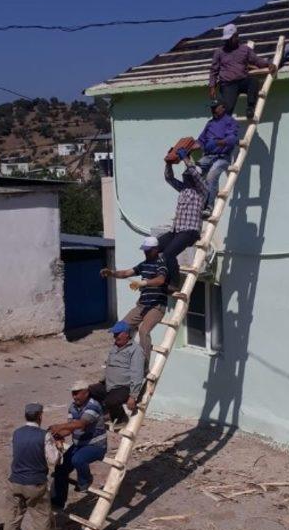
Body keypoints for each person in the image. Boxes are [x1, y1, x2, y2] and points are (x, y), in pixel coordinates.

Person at [0, 403, 52, 530]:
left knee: (12, 519)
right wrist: (58, 448)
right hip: (36, 483)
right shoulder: (44, 435)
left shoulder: (17, 433)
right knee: (41, 517)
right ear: (40, 416)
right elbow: (53, 459)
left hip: (16, 482)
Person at [101, 237, 169, 360]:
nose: (145, 252)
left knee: (143, 331)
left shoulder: (161, 263)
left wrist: (142, 283)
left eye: (148, 250)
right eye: (145, 250)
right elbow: (126, 273)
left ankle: (143, 364)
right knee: (120, 327)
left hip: (156, 306)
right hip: (142, 305)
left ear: (156, 249)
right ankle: (120, 358)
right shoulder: (143, 264)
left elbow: (160, 280)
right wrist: (111, 273)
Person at [48, 381, 108, 504]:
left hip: (95, 445)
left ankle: (85, 480)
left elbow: (81, 424)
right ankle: (58, 501)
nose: (74, 397)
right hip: (80, 444)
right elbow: (70, 429)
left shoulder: (93, 406)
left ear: (86, 393)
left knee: (78, 460)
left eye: (77, 393)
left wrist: (59, 426)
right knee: (60, 467)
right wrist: (57, 434)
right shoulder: (73, 407)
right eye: (73, 394)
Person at [209, 24, 276, 119]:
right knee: (227, 109)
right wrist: (212, 86)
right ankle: (223, 127)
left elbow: (256, 60)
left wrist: (268, 64)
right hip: (228, 84)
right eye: (226, 40)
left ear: (236, 36)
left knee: (253, 82)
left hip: (242, 80)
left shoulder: (244, 50)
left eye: (230, 38)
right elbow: (214, 70)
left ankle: (250, 108)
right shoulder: (219, 52)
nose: (227, 41)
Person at [159, 155, 209, 284]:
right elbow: (169, 178)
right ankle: (157, 275)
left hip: (190, 232)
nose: (184, 178)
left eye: (187, 176)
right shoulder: (183, 189)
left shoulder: (202, 190)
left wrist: (186, 159)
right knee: (153, 247)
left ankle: (174, 283)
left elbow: (196, 176)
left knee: (169, 254)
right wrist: (168, 164)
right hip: (176, 231)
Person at [89, 321, 146, 427]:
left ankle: (121, 419)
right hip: (109, 384)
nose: (115, 337)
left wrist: (133, 396)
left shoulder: (135, 350)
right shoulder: (115, 347)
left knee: (111, 401)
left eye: (117, 334)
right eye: (114, 334)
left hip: (124, 387)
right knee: (90, 391)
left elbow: (137, 374)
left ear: (127, 334)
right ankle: (106, 414)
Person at [196, 101, 239, 214]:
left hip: (222, 157)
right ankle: (196, 205)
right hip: (207, 156)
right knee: (193, 173)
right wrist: (188, 147)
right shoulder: (210, 123)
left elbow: (232, 139)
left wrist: (217, 143)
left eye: (215, 108)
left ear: (223, 108)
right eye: (212, 108)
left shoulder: (230, 121)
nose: (213, 110)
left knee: (211, 176)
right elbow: (200, 141)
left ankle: (209, 207)